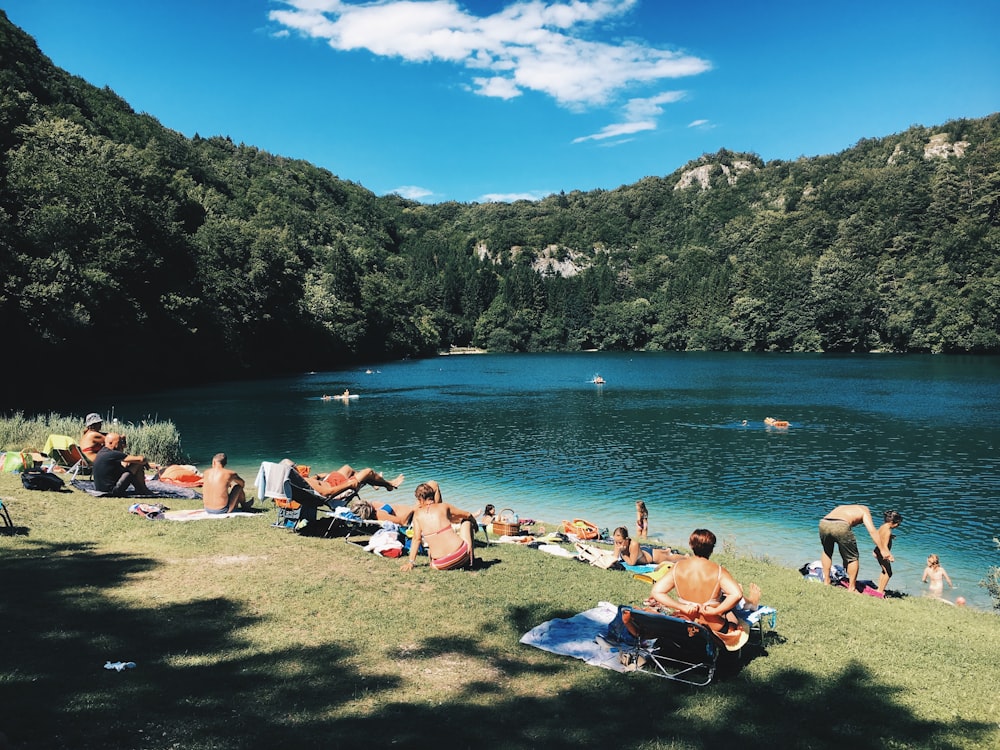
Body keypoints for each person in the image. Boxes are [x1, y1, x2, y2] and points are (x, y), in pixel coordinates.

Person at [644, 528, 749, 651]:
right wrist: (715, 611)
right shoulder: (719, 571)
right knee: (736, 623)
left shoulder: (678, 567)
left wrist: (681, 606)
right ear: (712, 548)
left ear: (691, 545)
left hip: (686, 622)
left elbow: (657, 591)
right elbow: (736, 594)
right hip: (712, 624)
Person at [401, 482, 477, 571]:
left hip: (440, 564)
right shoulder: (444, 506)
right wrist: (475, 524)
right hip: (461, 556)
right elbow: (468, 514)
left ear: (421, 499)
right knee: (467, 521)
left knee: (430, 552)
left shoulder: (417, 515)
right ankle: (471, 561)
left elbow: (416, 539)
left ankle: (462, 560)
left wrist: (411, 562)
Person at [818, 504, 893, 593]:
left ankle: (826, 581)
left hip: (824, 522)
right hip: (841, 524)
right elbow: (872, 531)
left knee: (827, 551)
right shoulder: (865, 511)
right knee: (853, 558)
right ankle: (852, 588)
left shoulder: (842, 507)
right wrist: (883, 550)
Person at [613, 527, 685, 566]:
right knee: (664, 552)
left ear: (626, 539)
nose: (618, 544)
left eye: (620, 542)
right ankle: (666, 551)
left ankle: (686, 557)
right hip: (643, 552)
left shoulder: (634, 544)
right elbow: (614, 558)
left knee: (670, 558)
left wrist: (623, 553)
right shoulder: (618, 542)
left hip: (652, 557)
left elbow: (632, 563)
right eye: (616, 542)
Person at [873, 509, 903, 593]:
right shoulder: (887, 531)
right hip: (883, 553)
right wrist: (890, 556)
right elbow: (885, 546)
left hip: (878, 551)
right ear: (893, 522)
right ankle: (880, 591)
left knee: (884, 571)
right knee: (889, 573)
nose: (898, 525)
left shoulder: (883, 527)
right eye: (898, 524)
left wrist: (890, 537)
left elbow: (879, 537)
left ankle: (879, 588)